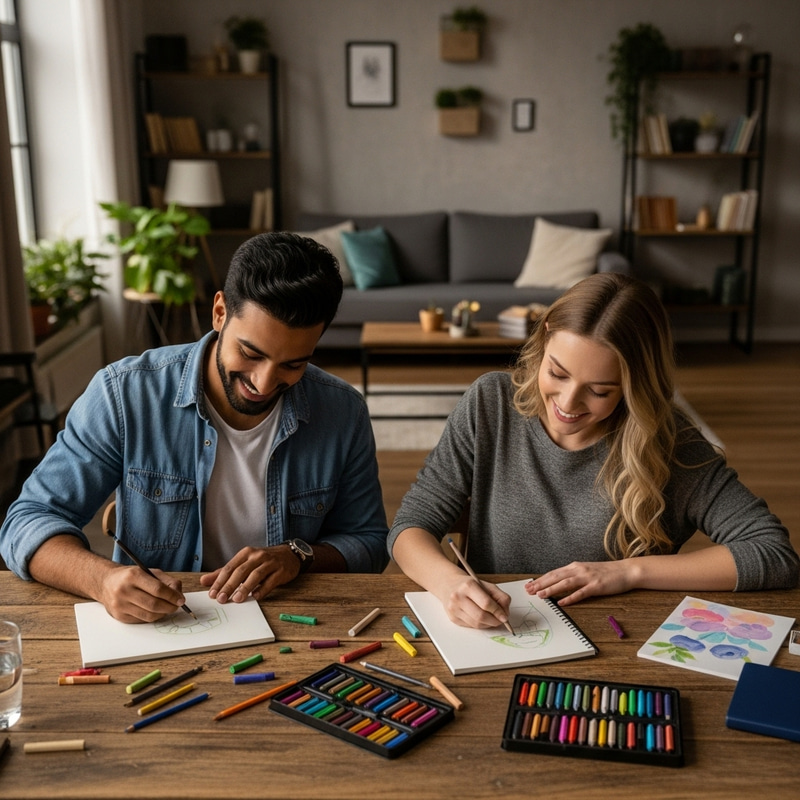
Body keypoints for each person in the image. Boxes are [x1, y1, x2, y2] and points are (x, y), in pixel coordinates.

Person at [0, 232, 388, 622]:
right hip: (164, 630)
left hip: (293, 627)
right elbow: (27, 521)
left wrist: (298, 556)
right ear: (219, 313)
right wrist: (101, 579)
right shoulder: (126, 394)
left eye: (293, 364)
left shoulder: (342, 412)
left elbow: (370, 543)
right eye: (251, 354)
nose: (265, 383)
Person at [388, 272, 799, 629]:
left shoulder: (671, 442)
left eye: (599, 391)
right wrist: (449, 584)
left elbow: (773, 554)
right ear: (545, 333)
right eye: (557, 373)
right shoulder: (490, 403)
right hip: (498, 636)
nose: (567, 403)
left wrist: (628, 572)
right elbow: (410, 526)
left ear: (635, 385)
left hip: (620, 647)